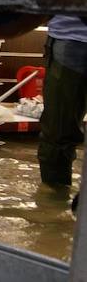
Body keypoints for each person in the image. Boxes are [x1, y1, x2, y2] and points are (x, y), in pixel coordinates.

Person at [39, 16, 87, 191]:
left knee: (57, 134)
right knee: (58, 132)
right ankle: (54, 204)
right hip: (69, 38)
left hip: (68, 41)